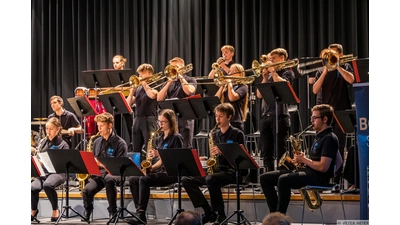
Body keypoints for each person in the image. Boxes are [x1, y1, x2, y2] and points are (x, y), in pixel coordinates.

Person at [259, 104, 343, 214]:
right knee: (265, 178)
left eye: (314, 118)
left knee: (283, 180)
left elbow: (323, 167)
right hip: (308, 172)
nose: (311, 121)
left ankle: (280, 215)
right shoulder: (319, 136)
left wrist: (304, 160)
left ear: (325, 119)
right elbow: (315, 161)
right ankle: (274, 214)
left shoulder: (330, 138)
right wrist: (301, 160)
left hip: (319, 177)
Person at [181, 103, 246, 225]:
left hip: (234, 171)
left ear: (229, 117)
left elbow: (242, 156)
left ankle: (220, 214)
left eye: (221, 116)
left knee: (211, 179)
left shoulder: (237, 134)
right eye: (216, 116)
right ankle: (208, 211)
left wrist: (224, 151)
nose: (218, 119)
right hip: (218, 170)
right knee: (187, 180)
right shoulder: (215, 134)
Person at [124, 109, 184, 225]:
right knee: (133, 179)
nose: (160, 124)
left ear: (170, 122)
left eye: (163, 122)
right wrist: (150, 168)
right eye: (159, 121)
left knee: (144, 179)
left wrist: (158, 153)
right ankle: (139, 211)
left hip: (172, 173)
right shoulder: (161, 138)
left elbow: (177, 158)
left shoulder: (176, 137)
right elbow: (161, 161)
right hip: (162, 171)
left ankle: (141, 213)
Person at [312, 43, 355, 185]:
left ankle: (337, 180)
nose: (330, 57)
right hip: (326, 113)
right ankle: (325, 177)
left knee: (339, 145)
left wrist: (337, 66)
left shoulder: (345, 67)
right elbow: (315, 89)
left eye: (333, 54)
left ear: (340, 55)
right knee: (326, 145)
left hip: (341, 111)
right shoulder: (321, 71)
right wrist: (325, 71)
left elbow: (351, 79)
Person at [81, 112, 128, 222]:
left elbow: (120, 165)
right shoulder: (97, 141)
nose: (99, 128)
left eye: (101, 126)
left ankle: (112, 211)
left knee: (109, 179)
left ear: (110, 125)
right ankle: (87, 210)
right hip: (100, 173)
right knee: (86, 190)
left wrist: (101, 164)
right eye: (98, 126)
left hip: (116, 173)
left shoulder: (120, 143)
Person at [255, 48, 295, 172]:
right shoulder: (271, 75)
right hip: (266, 116)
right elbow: (259, 95)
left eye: (273, 59)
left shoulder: (287, 72)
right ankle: (268, 178)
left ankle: (283, 177)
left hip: (280, 116)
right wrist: (265, 77)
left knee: (281, 150)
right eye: (269, 59)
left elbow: (283, 86)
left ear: (282, 58)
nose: (270, 61)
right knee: (266, 151)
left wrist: (273, 72)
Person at [31, 117, 70, 222]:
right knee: (32, 187)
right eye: (47, 128)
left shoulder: (63, 145)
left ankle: (55, 209)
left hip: (58, 172)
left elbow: (63, 163)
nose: (48, 131)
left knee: (48, 185)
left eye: (51, 129)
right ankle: (33, 210)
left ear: (58, 129)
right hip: (44, 172)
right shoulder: (43, 142)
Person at [157, 57, 197, 148]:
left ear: (182, 67)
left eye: (176, 67)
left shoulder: (191, 80)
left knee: (185, 147)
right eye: (172, 67)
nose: (173, 69)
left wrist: (181, 77)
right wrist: (168, 82)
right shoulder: (169, 82)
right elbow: (159, 98)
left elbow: (189, 91)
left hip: (185, 119)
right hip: (172, 119)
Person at [126, 63, 159, 160]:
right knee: (136, 149)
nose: (140, 77)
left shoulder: (155, 85)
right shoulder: (139, 88)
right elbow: (128, 104)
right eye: (139, 74)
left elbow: (152, 96)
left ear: (149, 74)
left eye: (142, 74)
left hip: (149, 120)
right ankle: (138, 170)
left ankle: (151, 169)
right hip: (137, 120)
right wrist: (131, 91)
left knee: (150, 148)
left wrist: (144, 84)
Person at [214, 63, 249, 131]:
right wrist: (222, 85)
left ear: (240, 74)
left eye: (234, 71)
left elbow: (232, 98)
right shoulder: (226, 86)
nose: (230, 73)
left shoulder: (243, 87)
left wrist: (229, 83)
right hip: (224, 120)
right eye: (230, 71)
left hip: (235, 120)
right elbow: (216, 99)